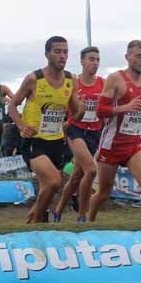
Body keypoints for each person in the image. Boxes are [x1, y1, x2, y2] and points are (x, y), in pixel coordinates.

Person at [8, 36, 84, 224]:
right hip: (33, 140)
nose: (62, 55)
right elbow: (12, 106)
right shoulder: (34, 79)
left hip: (56, 141)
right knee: (54, 181)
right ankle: (35, 223)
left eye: (65, 51)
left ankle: (36, 218)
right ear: (47, 54)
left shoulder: (71, 79)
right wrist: (22, 126)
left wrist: (85, 108)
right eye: (57, 51)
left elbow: (76, 114)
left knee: (47, 186)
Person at [87, 40, 141, 222]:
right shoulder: (115, 79)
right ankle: (88, 221)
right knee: (104, 192)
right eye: (138, 56)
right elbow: (100, 111)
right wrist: (124, 107)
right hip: (112, 144)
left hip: (134, 143)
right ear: (127, 57)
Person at [53, 46, 104, 223]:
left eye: (97, 60)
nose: (95, 63)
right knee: (90, 170)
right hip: (75, 129)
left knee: (76, 178)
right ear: (82, 61)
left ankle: (57, 211)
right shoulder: (73, 81)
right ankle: (82, 215)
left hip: (94, 132)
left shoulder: (102, 83)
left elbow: (106, 108)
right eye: (91, 59)